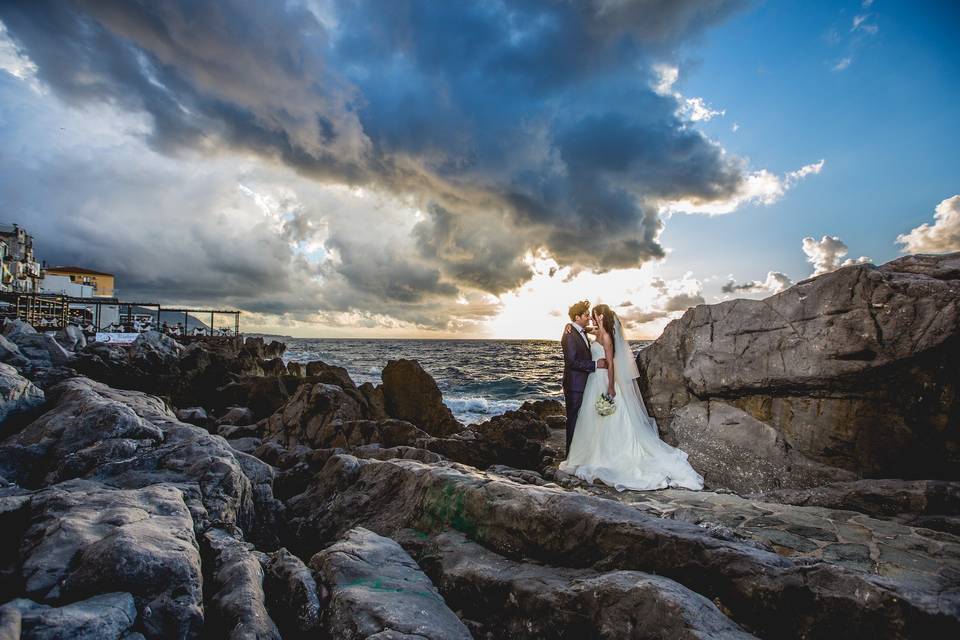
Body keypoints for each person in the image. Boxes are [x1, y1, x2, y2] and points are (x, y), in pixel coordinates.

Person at [559, 304, 703, 491]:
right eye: (587, 315)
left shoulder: (606, 336)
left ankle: (600, 454)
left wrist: (610, 386)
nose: (590, 318)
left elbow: (610, 364)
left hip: (603, 381)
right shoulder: (590, 331)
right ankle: (581, 454)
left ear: (600, 317)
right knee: (587, 419)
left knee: (606, 420)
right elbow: (580, 335)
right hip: (592, 381)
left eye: (593, 315)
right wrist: (568, 325)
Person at [560, 300, 608, 453]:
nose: (588, 317)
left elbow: (590, 328)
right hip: (575, 385)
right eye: (586, 315)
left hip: (584, 384)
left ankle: (580, 452)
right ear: (577, 317)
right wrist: (595, 365)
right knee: (574, 419)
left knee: (583, 419)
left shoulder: (578, 330)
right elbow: (572, 362)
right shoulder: (569, 336)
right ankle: (570, 454)